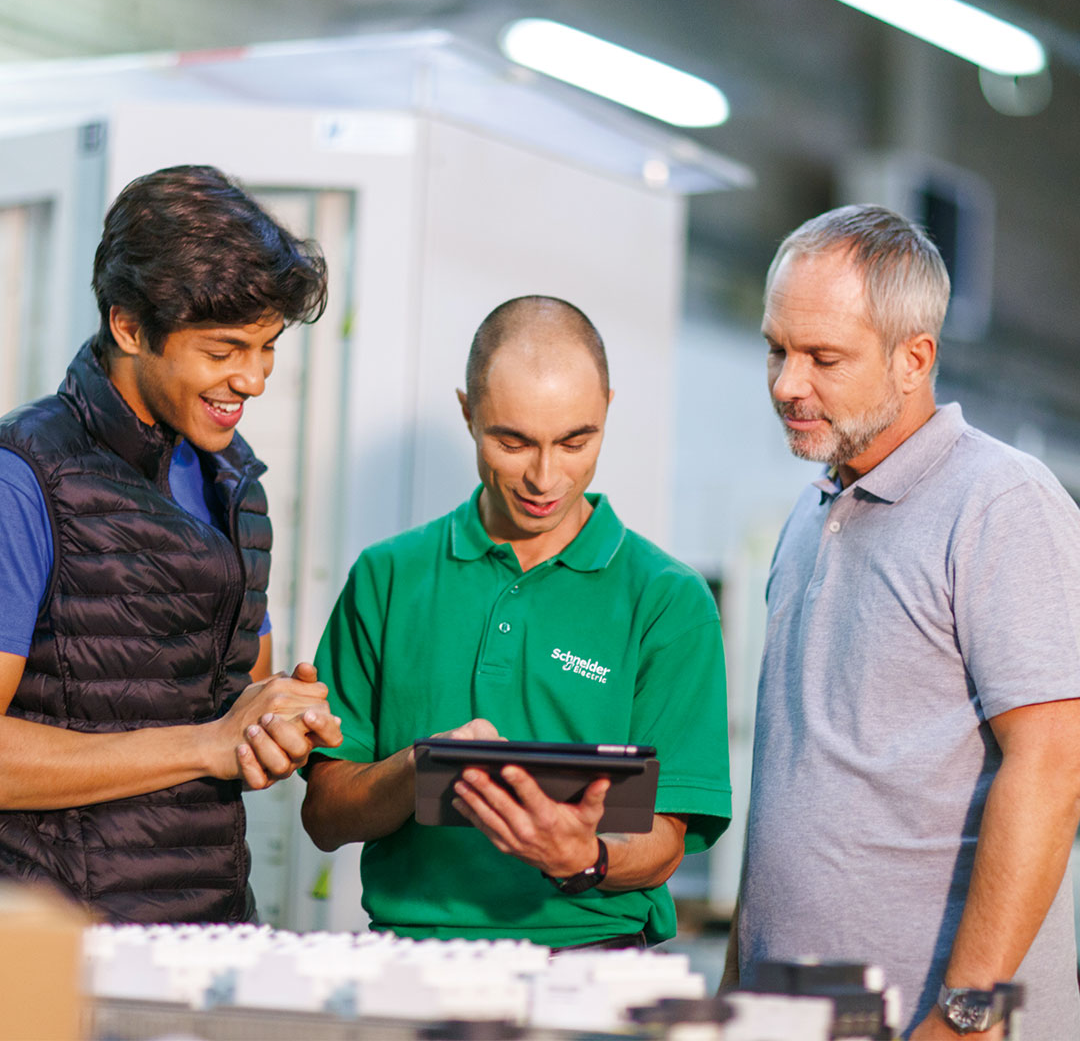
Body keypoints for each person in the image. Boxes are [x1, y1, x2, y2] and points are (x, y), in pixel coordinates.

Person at [725, 204, 1080, 1038]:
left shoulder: (1001, 503)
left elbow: (1055, 767)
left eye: (823, 357)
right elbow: (791, 789)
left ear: (914, 358)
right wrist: (736, 988)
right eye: (776, 349)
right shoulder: (810, 517)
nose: (786, 383)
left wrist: (964, 1014)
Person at [301, 295, 730, 948]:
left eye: (576, 440)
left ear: (608, 409)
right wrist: (421, 768)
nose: (545, 476)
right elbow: (325, 816)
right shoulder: (388, 577)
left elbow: (667, 839)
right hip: (410, 955)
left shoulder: (668, 600)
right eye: (513, 441)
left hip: (594, 962)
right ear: (468, 411)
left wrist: (582, 856)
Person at [0, 165, 343, 924]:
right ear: (127, 325)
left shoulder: (235, 482)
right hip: (57, 943)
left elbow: (234, 701)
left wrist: (278, 717)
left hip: (208, 931)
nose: (252, 378)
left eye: (268, 346)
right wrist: (207, 744)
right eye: (225, 350)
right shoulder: (22, 476)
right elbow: (205, 738)